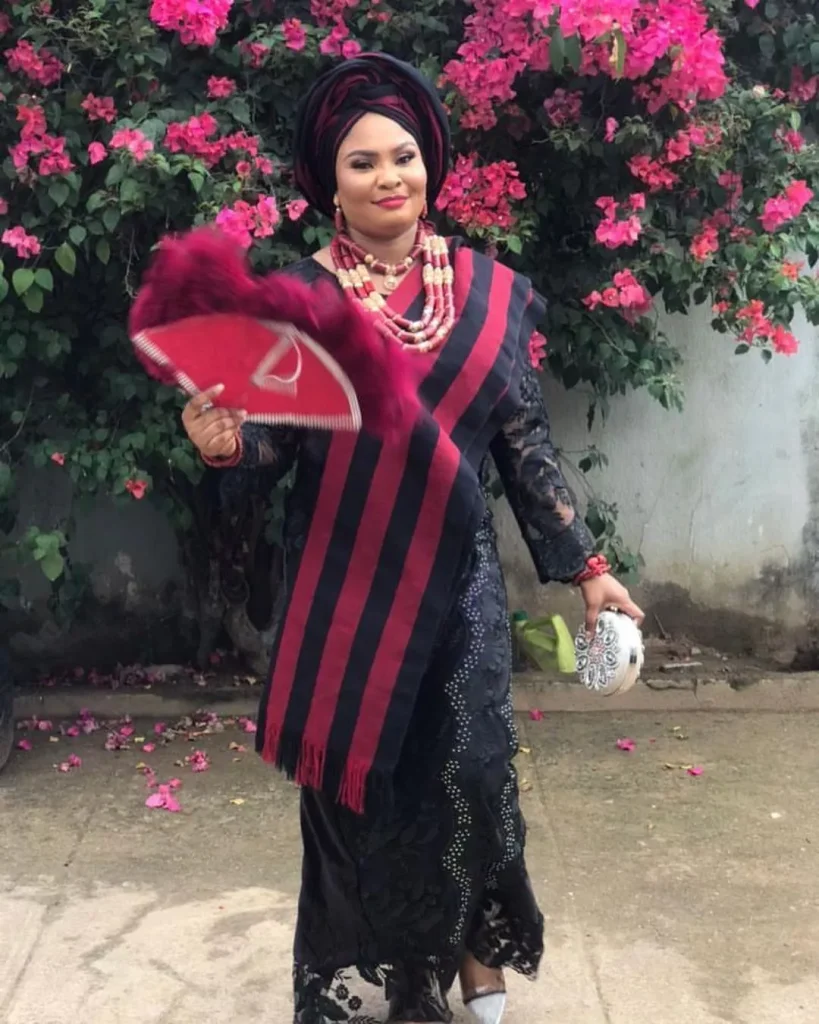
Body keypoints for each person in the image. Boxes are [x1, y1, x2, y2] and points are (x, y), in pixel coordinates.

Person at [180, 53, 643, 1024]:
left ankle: (473, 947)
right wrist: (226, 446)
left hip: (456, 585)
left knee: (470, 770)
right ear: (330, 184)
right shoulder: (298, 302)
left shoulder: (484, 296)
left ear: (430, 165)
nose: (388, 176)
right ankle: (385, 972)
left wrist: (588, 571)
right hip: (342, 586)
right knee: (360, 789)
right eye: (362, 162)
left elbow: (524, 444)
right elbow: (269, 446)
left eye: (403, 156)